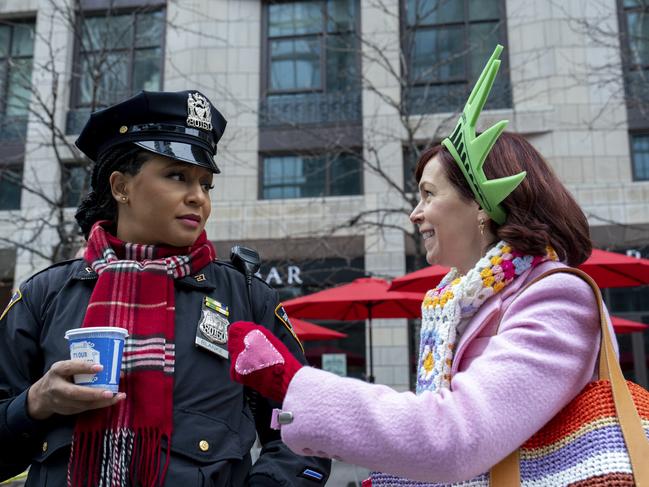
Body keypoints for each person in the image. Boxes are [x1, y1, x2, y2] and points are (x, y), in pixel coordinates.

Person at [225, 46, 607, 485]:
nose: (415, 213)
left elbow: (457, 438)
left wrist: (293, 382)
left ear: (481, 207)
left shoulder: (554, 296)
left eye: (428, 194)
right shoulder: (456, 302)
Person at [0, 90, 330, 486]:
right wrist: (34, 404)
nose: (198, 198)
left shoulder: (246, 297)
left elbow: (303, 432)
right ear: (121, 186)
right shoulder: (44, 295)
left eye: (206, 185)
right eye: (177, 176)